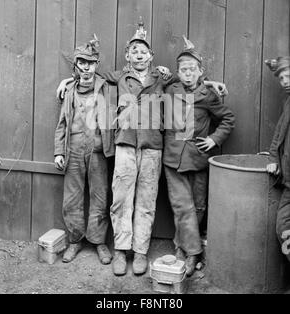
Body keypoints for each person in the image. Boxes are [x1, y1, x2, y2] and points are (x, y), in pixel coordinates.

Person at [56, 20, 228, 277]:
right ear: (127, 56)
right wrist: (67, 81)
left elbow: (189, 81)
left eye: (143, 51)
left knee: (146, 201)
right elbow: (88, 75)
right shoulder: (117, 77)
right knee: (121, 200)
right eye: (134, 51)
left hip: (152, 148)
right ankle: (121, 251)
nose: (139, 55)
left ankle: (140, 252)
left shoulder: (163, 78)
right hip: (125, 145)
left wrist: (210, 83)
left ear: (151, 56)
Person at [163, 37, 235, 276]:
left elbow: (227, 119)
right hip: (173, 159)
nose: (187, 74)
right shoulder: (169, 89)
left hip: (198, 157)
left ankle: (181, 246)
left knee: (199, 206)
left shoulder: (208, 95)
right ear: (177, 72)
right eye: (183, 70)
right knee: (182, 206)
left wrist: (214, 139)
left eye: (192, 70)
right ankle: (193, 253)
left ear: (200, 72)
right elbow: (152, 78)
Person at [54, 36, 114, 264]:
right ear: (76, 66)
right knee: (72, 198)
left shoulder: (106, 88)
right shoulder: (69, 91)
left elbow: (135, 78)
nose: (86, 67)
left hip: (98, 151)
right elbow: (61, 124)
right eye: (82, 63)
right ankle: (75, 240)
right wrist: (59, 151)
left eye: (91, 63)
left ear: (96, 65)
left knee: (99, 197)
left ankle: (99, 242)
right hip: (74, 151)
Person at [265, 56, 290, 263]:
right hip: (289, 183)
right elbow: (280, 132)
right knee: (283, 227)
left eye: (288, 76)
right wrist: (274, 156)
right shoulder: (288, 101)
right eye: (281, 78)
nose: (285, 81)